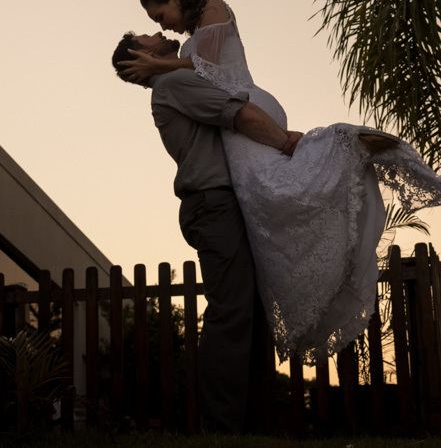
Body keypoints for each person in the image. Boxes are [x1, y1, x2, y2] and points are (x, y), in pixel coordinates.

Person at [118, 0, 441, 363]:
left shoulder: (209, 15)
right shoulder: (173, 77)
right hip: (239, 133)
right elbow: (199, 75)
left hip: (247, 115)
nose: (162, 27)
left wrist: (156, 64)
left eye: (160, 15)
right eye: (154, 27)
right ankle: (341, 159)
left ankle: (343, 143)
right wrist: (157, 67)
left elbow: (208, 68)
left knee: (284, 187)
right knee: (276, 198)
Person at [108, 31, 299, 433]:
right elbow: (241, 114)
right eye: (147, 34)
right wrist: (286, 142)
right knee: (231, 312)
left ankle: (254, 425)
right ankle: (222, 428)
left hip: (224, 204)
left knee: (249, 313)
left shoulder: (174, 80)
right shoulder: (173, 83)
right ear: (143, 54)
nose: (158, 32)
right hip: (213, 206)